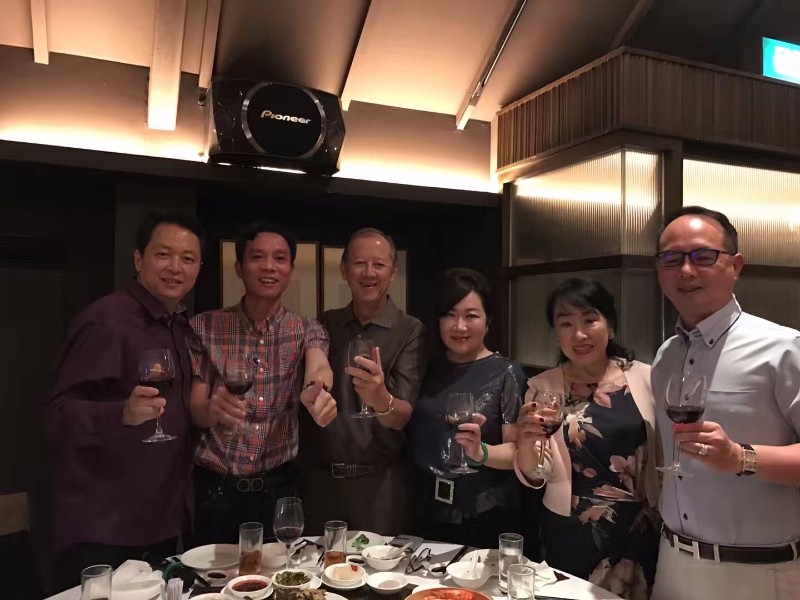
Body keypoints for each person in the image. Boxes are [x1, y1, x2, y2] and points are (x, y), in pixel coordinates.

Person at [46, 212, 205, 590]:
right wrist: (121, 413)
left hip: (159, 520)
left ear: (198, 268)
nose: (175, 267)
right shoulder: (107, 320)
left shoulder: (179, 325)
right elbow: (56, 415)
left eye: (187, 259)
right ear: (138, 259)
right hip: (105, 527)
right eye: (163, 254)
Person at [650, 206, 800, 600]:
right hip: (671, 561)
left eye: (703, 256)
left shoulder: (783, 349)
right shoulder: (665, 357)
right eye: (671, 258)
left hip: (757, 572)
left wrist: (741, 458)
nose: (685, 270)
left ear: (736, 266)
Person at [188, 222, 337, 546]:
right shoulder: (204, 327)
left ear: (290, 269)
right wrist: (213, 409)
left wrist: (317, 393)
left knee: (280, 574)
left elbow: (319, 367)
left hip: (279, 489)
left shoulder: (306, 329)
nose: (269, 266)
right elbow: (196, 410)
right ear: (239, 267)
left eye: (280, 258)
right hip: (215, 489)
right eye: (257, 257)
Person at [514, 278, 660, 599]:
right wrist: (525, 441)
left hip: (640, 529)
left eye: (590, 320)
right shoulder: (542, 387)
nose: (578, 334)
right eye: (566, 324)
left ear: (611, 326)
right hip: (572, 531)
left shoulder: (647, 378)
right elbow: (535, 475)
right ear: (556, 333)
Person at [299, 228, 426, 534]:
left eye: (379, 265)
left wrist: (381, 398)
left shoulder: (410, 330)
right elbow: (312, 377)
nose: (369, 273)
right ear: (344, 269)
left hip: (380, 488)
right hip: (321, 483)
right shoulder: (325, 324)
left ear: (393, 272)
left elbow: (402, 415)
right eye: (359, 263)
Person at [409, 268, 526, 549]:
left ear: (488, 321)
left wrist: (480, 452)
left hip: (482, 511)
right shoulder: (427, 368)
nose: (459, 326)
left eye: (471, 316)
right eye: (450, 315)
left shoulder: (506, 372)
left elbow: (516, 452)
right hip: (424, 506)